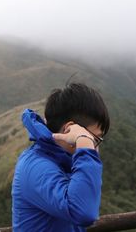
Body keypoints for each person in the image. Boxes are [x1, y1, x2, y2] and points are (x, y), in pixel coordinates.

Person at [12, 82, 110, 232]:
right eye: (94, 139)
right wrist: (84, 142)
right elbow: (84, 213)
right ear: (69, 129)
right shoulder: (36, 167)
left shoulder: (65, 159)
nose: (94, 148)